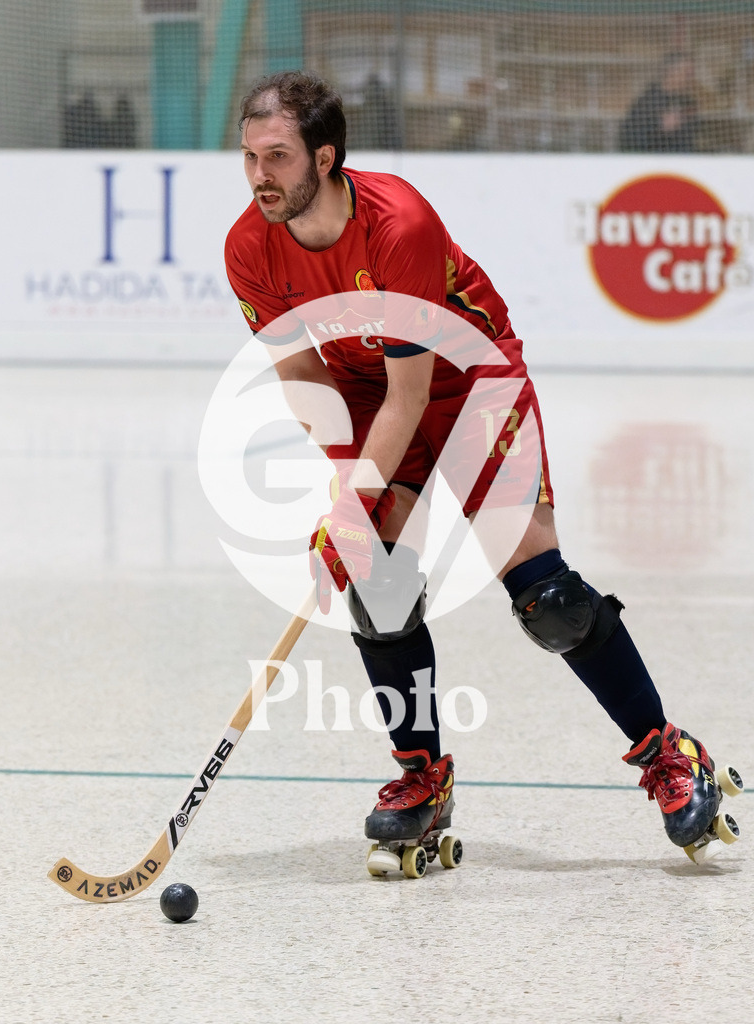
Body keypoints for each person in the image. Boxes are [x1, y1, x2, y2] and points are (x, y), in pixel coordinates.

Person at [224, 70, 737, 869]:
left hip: (470, 382)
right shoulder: (247, 248)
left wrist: (355, 504)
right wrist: (348, 504)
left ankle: (669, 753)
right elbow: (306, 381)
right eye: (251, 157)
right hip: (364, 394)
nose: (260, 175)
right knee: (377, 584)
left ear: (324, 157)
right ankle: (420, 778)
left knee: (549, 601)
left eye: (278, 157)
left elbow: (415, 392)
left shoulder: (399, 225)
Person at [619, 52, 700, 153]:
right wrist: (660, 128)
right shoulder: (648, 101)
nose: (691, 78)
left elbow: (692, 137)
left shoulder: (687, 102)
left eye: (692, 74)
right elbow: (629, 138)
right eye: (687, 73)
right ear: (671, 72)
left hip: (682, 162)